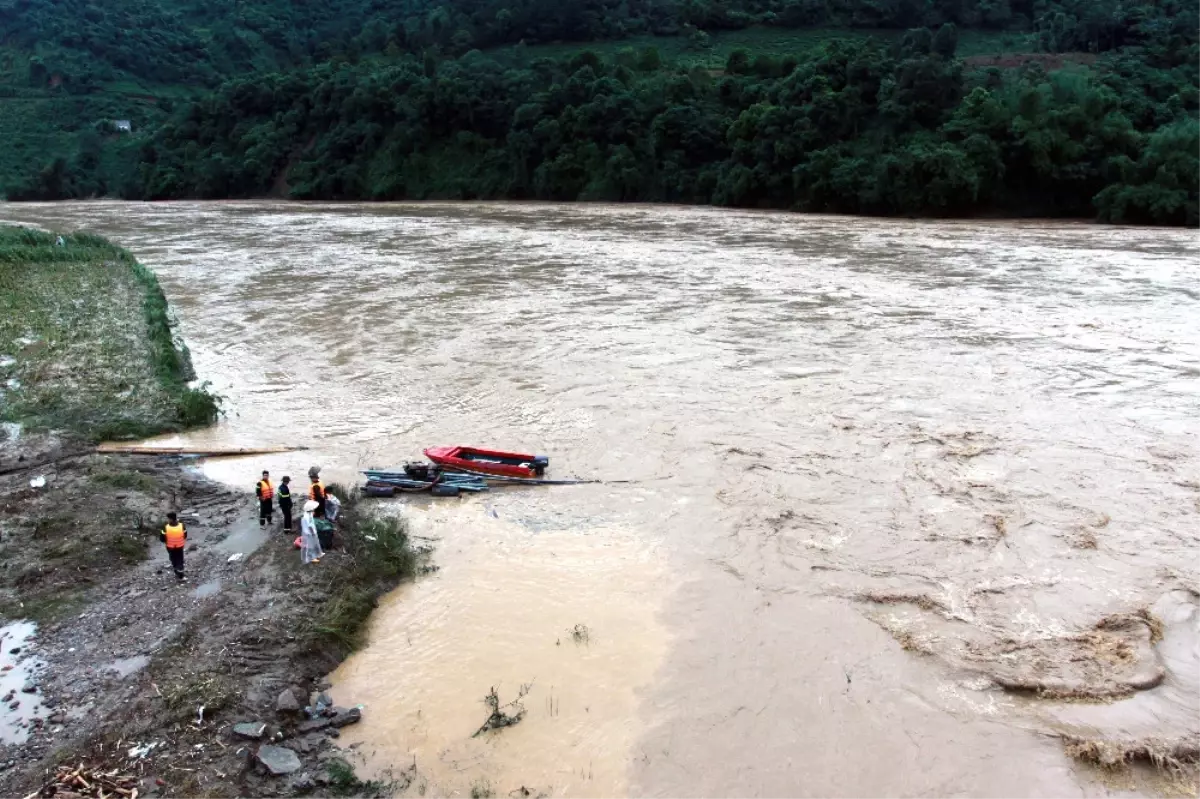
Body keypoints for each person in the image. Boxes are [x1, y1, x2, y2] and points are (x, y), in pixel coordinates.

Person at [160, 512, 187, 582]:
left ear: (171, 519)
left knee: (173, 559)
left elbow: (162, 538)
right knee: (180, 559)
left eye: (168, 519)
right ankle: (180, 573)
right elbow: (185, 535)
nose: (167, 520)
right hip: (180, 546)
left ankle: (177, 571)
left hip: (170, 547)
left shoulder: (165, 527)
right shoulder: (182, 525)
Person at [299, 500, 323, 564]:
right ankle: (311, 558)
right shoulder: (307, 516)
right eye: (313, 509)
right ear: (310, 509)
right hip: (309, 533)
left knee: (314, 544)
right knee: (310, 546)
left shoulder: (308, 514)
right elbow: (310, 526)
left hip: (310, 532)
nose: (314, 510)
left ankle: (316, 554)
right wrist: (313, 533)